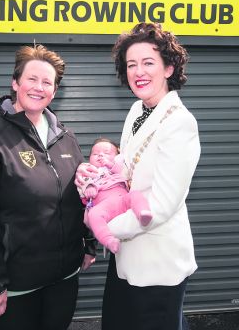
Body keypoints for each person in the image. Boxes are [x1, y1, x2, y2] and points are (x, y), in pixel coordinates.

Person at [0, 44, 96, 330]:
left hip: (62, 279)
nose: (38, 87)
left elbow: (83, 194)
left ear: (55, 91)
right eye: (32, 79)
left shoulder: (65, 137)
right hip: (13, 286)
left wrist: (88, 242)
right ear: (15, 83)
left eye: (47, 82)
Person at [78, 22, 201, 330]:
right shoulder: (137, 110)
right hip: (128, 259)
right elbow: (127, 163)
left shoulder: (180, 123)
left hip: (158, 263)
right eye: (131, 64)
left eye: (148, 62)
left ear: (169, 68)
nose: (138, 72)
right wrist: (94, 172)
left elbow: (162, 205)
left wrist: (104, 226)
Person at [76, 138, 152, 254]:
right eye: (95, 154)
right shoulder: (89, 170)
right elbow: (82, 183)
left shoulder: (119, 169)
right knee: (93, 215)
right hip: (104, 205)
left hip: (123, 199)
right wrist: (89, 187)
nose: (100, 156)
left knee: (135, 195)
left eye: (106, 153)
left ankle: (143, 212)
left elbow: (123, 173)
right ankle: (109, 240)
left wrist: (110, 164)